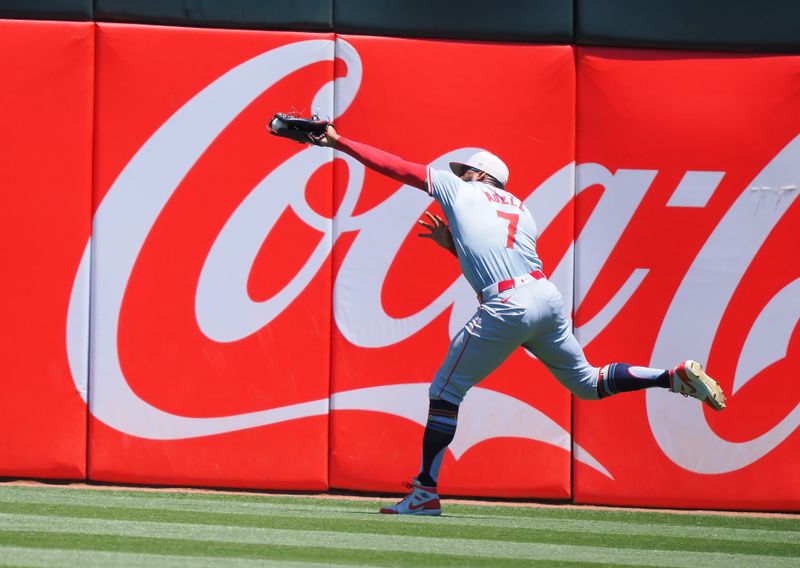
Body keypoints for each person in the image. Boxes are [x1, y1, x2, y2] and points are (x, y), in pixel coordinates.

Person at [313, 125, 726, 516]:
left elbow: (397, 167)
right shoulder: (522, 210)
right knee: (587, 383)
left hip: (508, 303)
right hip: (545, 298)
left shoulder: (460, 188)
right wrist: (452, 248)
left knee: (444, 392)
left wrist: (339, 142)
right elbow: (497, 262)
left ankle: (424, 493)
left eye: (466, 170)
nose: (461, 174)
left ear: (478, 173)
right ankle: (670, 377)